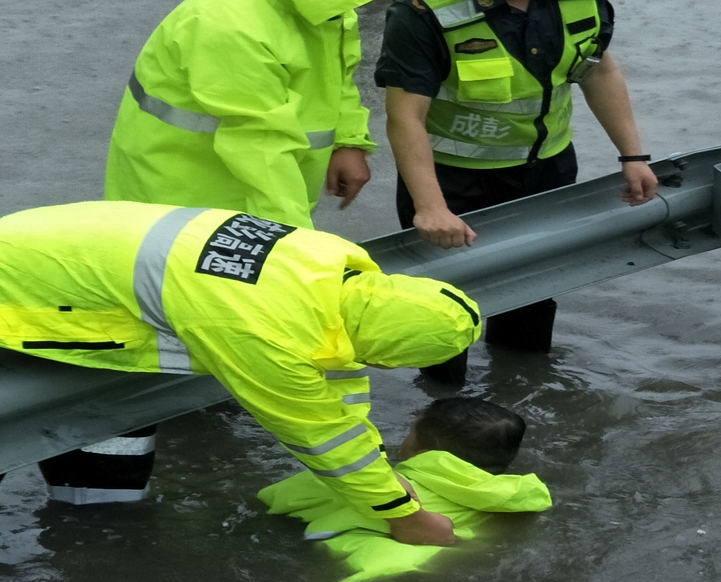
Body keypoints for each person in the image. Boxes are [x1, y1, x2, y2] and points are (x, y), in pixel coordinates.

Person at [0, 201, 482, 546]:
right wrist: (403, 517)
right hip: (23, 294)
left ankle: (87, 528)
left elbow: (334, 381)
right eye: (388, 359)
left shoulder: (331, 269)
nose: (377, 367)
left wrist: (382, 472)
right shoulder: (265, 330)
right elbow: (318, 433)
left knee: (106, 487)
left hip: (61, 260)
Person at [374, 0, 659, 370]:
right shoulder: (424, 13)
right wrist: (430, 206)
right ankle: (442, 408)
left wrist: (632, 156)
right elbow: (405, 115)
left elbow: (597, 70)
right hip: (451, 181)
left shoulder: (583, 4)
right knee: (440, 311)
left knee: (532, 300)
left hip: (547, 173)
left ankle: (519, 391)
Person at [105, 0, 377, 228]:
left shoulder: (325, 8)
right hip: (185, 206)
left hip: (253, 195)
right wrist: (293, 246)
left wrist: (348, 139)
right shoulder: (230, 24)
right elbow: (260, 149)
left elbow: (335, 72)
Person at [259, 397, 552, 582]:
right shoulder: (509, 494)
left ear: (422, 452)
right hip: (436, 554)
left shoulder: (391, 481)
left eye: (409, 433)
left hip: (372, 552)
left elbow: (290, 495)